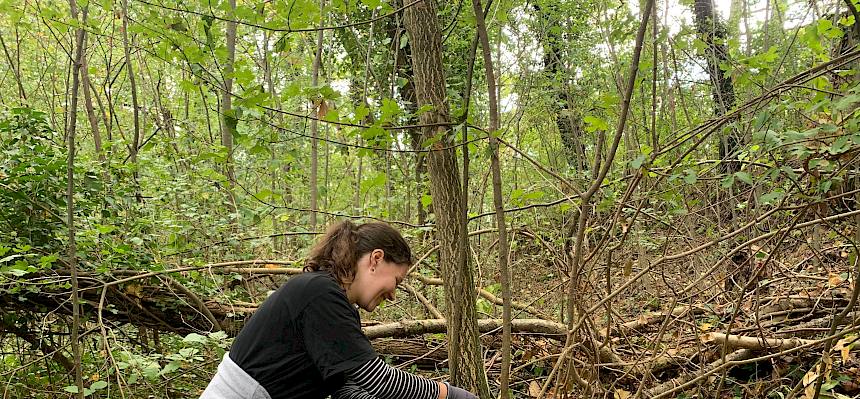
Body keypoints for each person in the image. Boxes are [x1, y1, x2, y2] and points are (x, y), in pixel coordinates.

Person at [201, 220, 479, 399]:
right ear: (376, 259)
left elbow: (345, 388)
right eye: (396, 280)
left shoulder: (331, 301)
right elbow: (379, 380)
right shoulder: (319, 292)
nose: (393, 294)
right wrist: (449, 394)